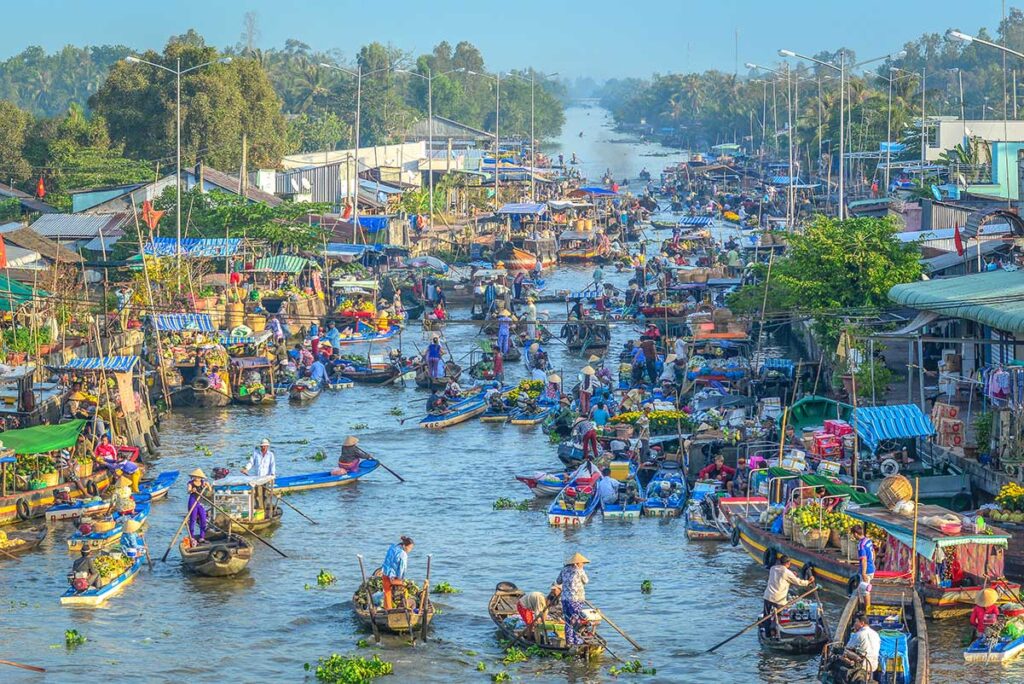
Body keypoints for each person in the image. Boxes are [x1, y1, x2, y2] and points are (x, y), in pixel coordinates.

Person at [762, 555, 814, 637]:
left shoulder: (773, 568)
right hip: (778, 599)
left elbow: (781, 574)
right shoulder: (787, 572)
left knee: (766, 616)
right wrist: (808, 582)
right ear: (788, 563)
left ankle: (768, 633)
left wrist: (791, 574)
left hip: (768, 596)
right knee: (778, 616)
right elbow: (798, 582)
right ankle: (776, 632)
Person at [555, 552, 591, 646]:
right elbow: (586, 581)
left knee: (568, 620)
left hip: (565, 599)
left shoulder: (564, 570)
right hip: (576, 599)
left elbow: (558, 581)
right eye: (582, 563)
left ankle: (569, 641)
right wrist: (580, 570)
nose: (583, 565)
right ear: (577, 563)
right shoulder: (579, 570)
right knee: (575, 619)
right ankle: (576, 640)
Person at [840, 612, 881, 678]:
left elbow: (848, 647)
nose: (854, 624)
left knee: (843, 653)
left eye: (856, 622)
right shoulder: (876, 634)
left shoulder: (859, 634)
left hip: (863, 664)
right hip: (874, 665)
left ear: (862, 623)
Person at [379, 536, 415, 610]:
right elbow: (402, 569)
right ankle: (400, 607)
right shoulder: (403, 554)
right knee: (403, 589)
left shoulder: (393, 547)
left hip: (385, 573)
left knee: (387, 593)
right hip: (393, 576)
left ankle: (388, 609)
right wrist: (400, 579)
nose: (410, 550)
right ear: (405, 546)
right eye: (410, 548)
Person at [186, 468, 211, 542]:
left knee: (203, 519)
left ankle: (202, 537)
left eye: (199, 477)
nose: (197, 478)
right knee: (193, 519)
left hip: (200, 502)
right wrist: (191, 491)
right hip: (193, 501)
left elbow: (210, 491)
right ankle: (192, 537)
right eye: (196, 477)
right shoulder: (190, 483)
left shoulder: (203, 483)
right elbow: (188, 491)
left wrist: (208, 486)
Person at [851, 524, 875, 603]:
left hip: (866, 570)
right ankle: (866, 608)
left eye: (853, 534)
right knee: (866, 588)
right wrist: (872, 563)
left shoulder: (861, 545)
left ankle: (867, 610)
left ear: (855, 534)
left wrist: (864, 573)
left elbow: (864, 559)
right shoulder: (868, 540)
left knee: (865, 591)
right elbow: (873, 552)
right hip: (871, 568)